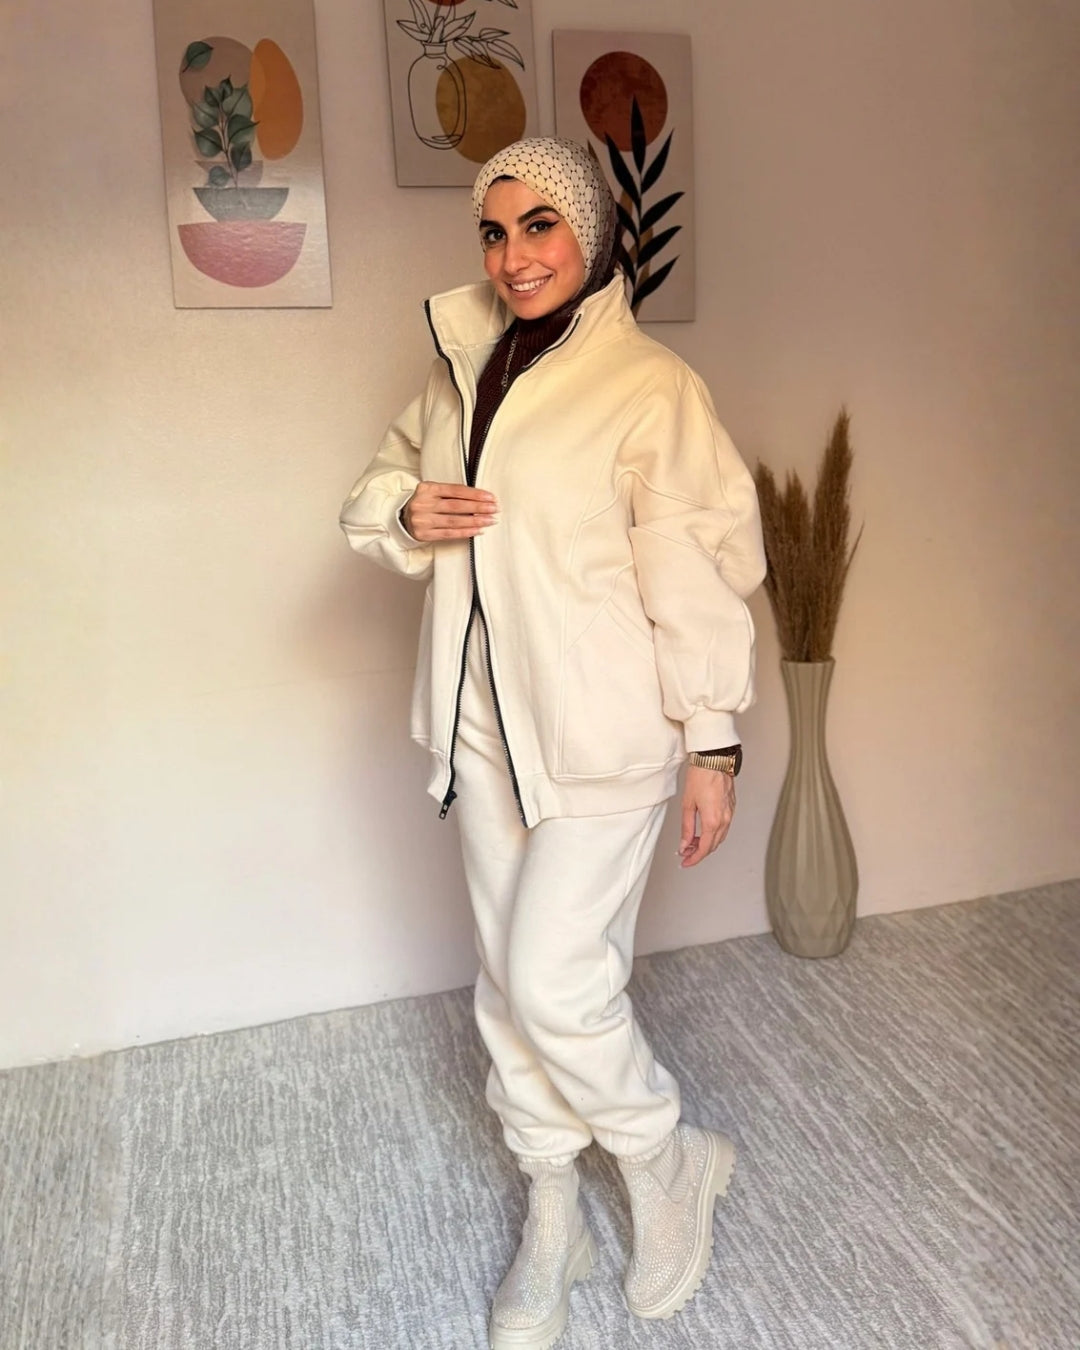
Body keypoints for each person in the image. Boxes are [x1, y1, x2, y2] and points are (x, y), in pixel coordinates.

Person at [341, 137, 765, 1350]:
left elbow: (694, 568)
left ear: (592, 231)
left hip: (604, 729)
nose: (514, 256)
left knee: (555, 977)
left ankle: (664, 1158)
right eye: (494, 231)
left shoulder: (650, 387)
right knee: (505, 980)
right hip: (477, 726)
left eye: (540, 226)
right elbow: (376, 488)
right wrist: (406, 510)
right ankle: (554, 1212)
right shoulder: (458, 366)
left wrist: (713, 743)